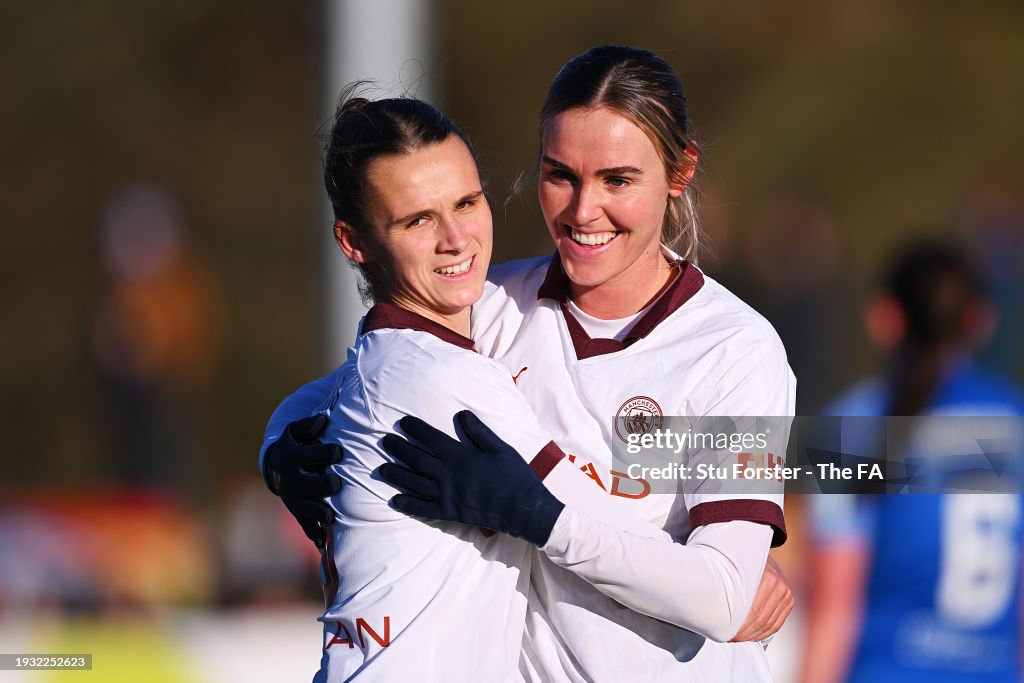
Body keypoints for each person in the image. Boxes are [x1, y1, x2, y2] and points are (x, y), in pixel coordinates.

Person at [265, 46, 796, 681]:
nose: (582, 210)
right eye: (560, 175)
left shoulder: (733, 350)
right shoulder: (493, 306)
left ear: (679, 172)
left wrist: (543, 519)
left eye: (618, 180)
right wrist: (281, 446)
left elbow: (724, 597)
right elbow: (370, 377)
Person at [799, 240, 1024, 683]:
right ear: (979, 322)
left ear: (884, 320)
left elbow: (833, 616)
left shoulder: (854, 425)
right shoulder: (1015, 418)